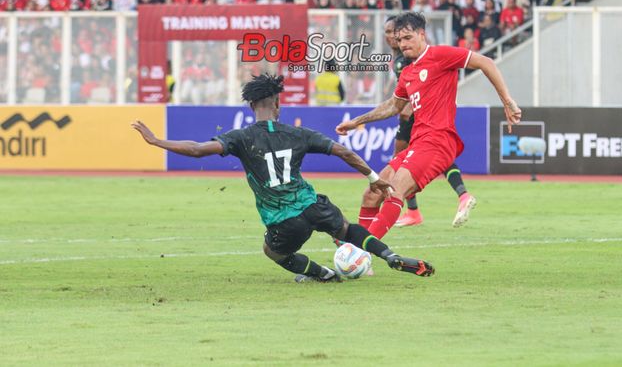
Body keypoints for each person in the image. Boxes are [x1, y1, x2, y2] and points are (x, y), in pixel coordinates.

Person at [132, 74, 434, 281]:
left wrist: (158, 142)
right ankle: (390, 256)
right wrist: (372, 177)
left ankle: (323, 274)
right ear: (278, 104)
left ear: (252, 106)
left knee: (273, 251)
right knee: (345, 229)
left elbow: (198, 150)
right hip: (312, 204)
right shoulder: (299, 134)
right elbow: (342, 151)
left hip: (282, 220)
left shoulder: (242, 137)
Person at [336, 12, 521, 239]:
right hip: (418, 142)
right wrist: (357, 121)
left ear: (422, 35)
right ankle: (361, 251)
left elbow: (485, 62)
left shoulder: (440, 55)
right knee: (373, 193)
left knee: (395, 192)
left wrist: (507, 100)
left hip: (438, 141)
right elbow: (394, 105)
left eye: (407, 38)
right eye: (399, 39)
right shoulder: (408, 73)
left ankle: (359, 251)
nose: (402, 44)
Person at [383, 16, 475, 228]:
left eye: (392, 32)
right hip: (422, 113)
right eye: (388, 33)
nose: (390, 37)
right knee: (442, 159)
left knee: (400, 161)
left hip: (417, 116)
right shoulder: (399, 57)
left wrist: (404, 110)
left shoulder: (403, 60)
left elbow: (411, 89)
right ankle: (462, 195)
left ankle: (412, 211)